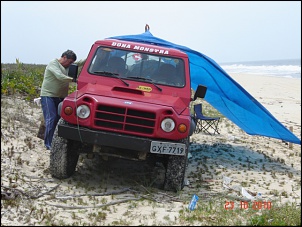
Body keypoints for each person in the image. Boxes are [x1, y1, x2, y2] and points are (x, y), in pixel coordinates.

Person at [40, 49, 77, 150]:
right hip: (48, 96)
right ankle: (48, 144)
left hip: (60, 97)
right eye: (69, 62)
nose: (70, 64)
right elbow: (60, 77)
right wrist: (73, 80)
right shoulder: (53, 64)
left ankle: (53, 141)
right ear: (64, 57)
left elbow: (81, 62)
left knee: (58, 119)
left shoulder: (67, 66)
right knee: (51, 118)